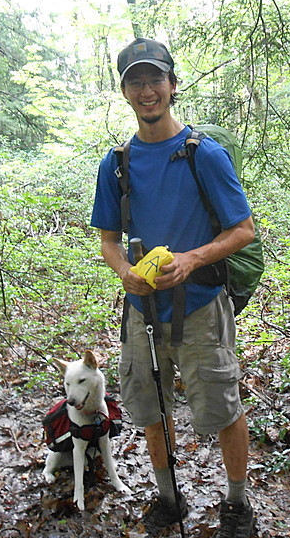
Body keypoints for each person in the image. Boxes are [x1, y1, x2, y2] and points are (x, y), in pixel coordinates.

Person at [90, 37, 257, 537]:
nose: (147, 91)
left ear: (172, 85)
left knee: (223, 406)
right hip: (141, 311)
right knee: (149, 406)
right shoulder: (115, 164)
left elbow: (243, 229)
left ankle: (236, 504)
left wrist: (191, 259)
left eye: (154, 80)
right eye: (136, 82)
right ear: (123, 90)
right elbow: (108, 240)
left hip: (202, 305)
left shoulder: (202, 155)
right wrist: (123, 271)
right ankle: (168, 498)